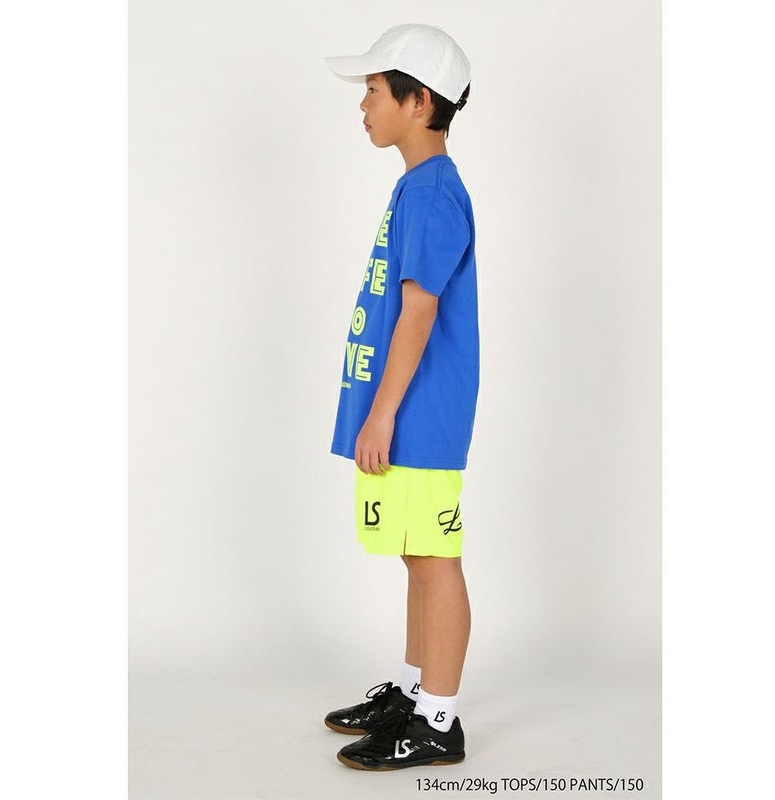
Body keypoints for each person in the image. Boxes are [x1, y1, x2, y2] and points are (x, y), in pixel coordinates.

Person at [323, 23, 479, 771]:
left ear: (419, 102)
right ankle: (417, 694)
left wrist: (382, 412)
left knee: (433, 559)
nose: (364, 105)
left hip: (418, 410)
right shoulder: (416, 186)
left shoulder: (434, 192)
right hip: (407, 408)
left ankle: (437, 722)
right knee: (417, 557)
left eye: (374, 91)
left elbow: (420, 312)